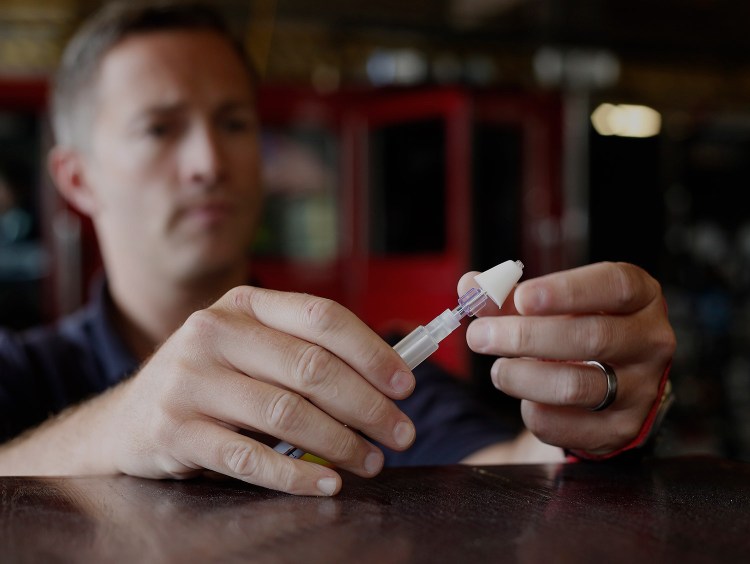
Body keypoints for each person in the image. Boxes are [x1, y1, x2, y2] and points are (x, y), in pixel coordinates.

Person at [0, 0, 675, 496]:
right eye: (159, 128)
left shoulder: (364, 370)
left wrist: (591, 422)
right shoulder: (23, 375)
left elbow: (516, 467)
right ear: (76, 179)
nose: (208, 160)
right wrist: (123, 422)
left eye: (234, 122)